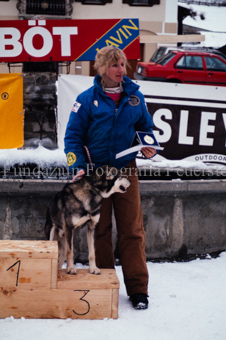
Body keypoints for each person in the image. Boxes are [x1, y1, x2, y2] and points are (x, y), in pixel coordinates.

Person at [64, 46, 157, 309]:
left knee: (132, 230)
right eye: (115, 65)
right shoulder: (85, 99)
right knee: (99, 229)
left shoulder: (136, 98)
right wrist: (77, 167)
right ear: (102, 68)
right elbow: (72, 139)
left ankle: (138, 289)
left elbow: (146, 129)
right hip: (95, 175)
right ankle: (104, 281)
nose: (122, 70)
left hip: (126, 171)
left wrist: (149, 146)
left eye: (123, 64)